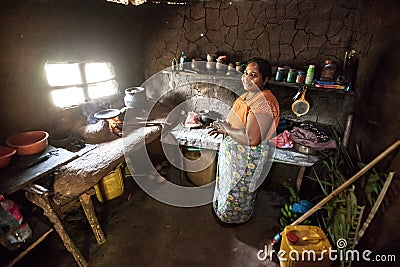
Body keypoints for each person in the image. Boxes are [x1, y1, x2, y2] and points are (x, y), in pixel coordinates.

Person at [207, 57, 280, 224]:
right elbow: (239, 123)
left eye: (253, 75)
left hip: (246, 157)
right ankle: (223, 213)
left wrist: (227, 129)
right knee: (228, 188)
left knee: (238, 191)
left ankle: (234, 220)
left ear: (265, 79)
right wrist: (224, 126)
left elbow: (252, 138)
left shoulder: (264, 102)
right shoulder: (251, 94)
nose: (247, 78)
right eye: (246, 73)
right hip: (234, 154)